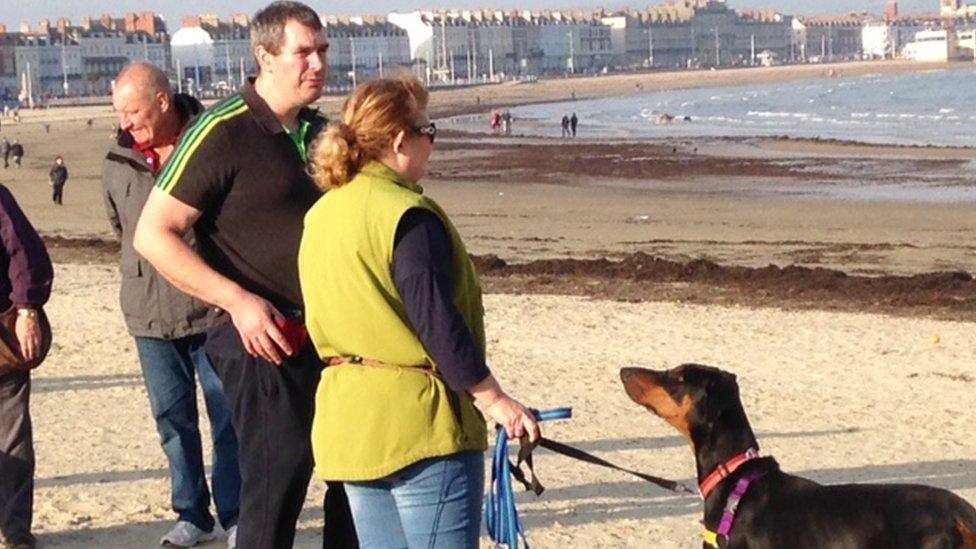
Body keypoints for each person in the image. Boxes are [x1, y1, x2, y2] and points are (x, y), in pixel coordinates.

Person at [133, 3, 356, 547]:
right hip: (261, 342)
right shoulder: (220, 129)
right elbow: (153, 234)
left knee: (350, 478)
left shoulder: (323, 131)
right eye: (304, 51)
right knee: (275, 491)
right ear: (264, 57)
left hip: (332, 338)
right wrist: (238, 301)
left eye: (323, 50)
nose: (318, 63)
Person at [300, 75, 541, 547]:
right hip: (419, 426)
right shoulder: (406, 214)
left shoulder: (322, 213)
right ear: (398, 140)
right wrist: (494, 400)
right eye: (427, 132)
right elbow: (437, 320)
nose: (432, 144)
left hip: (350, 421)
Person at [103, 62, 241, 548]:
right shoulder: (115, 160)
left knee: (228, 416)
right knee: (172, 420)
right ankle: (192, 514)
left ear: (163, 101)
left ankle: (235, 513)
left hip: (213, 308)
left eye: (133, 110)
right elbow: (124, 233)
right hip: (148, 313)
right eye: (119, 112)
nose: (126, 123)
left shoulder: (209, 142)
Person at [0, 184, 54, 549]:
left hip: (2, 340)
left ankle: (15, 529)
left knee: (12, 435)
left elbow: (26, 252)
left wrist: (27, 310)